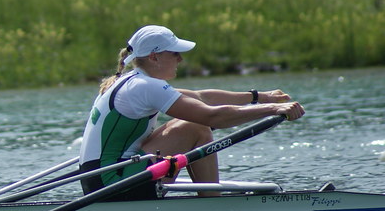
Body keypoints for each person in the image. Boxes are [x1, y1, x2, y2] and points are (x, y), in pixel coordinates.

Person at [78, 25, 305, 201]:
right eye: (174, 53)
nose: (180, 58)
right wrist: (273, 109)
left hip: (100, 178)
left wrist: (259, 97)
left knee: (189, 121)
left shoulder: (133, 81)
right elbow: (212, 116)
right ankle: (212, 208)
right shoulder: (144, 86)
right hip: (111, 184)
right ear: (154, 57)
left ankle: (208, 201)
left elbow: (201, 97)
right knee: (195, 126)